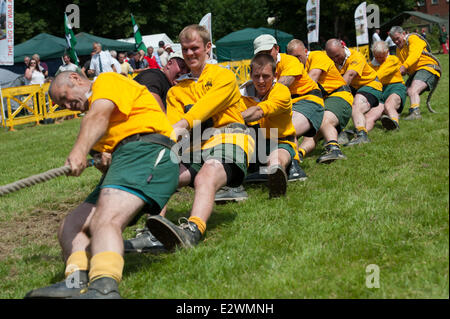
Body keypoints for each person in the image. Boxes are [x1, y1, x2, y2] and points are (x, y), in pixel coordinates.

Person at [24, 71, 179, 299]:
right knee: (71, 225)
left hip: (148, 149)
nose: (69, 105)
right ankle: (76, 280)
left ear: (76, 78)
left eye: (66, 97)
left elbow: (98, 115)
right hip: (127, 159)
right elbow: (107, 161)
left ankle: (104, 288)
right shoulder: (95, 121)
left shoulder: (106, 82)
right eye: (63, 104)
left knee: (105, 220)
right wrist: (104, 158)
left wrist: (79, 151)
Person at [146, 24, 255, 250]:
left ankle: (192, 230)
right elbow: (172, 126)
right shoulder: (177, 90)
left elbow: (203, 109)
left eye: (194, 48)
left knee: (208, 172)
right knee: (163, 174)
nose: (189, 53)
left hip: (230, 137)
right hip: (195, 145)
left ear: (207, 47)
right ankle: (152, 232)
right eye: (185, 49)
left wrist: (180, 127)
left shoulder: (223, 76)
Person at [123, 52, 189, 254]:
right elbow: (151, 100)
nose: (184, 72)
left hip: (137, 136)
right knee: (160, 172)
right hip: (140, 134)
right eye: (181, 68)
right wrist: (166, 132)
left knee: (161, 175)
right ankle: (151, 233)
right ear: (169, 63)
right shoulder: (154, 74)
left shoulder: (171, 87)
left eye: (187, 71)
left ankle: (150, 230)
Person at [252, 34, 323, 178]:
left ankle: (294, 166)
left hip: (307, 100)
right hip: (283, 105)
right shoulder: (259, 67)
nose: (265, 55)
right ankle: (268, 166)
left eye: (267, 51)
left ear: (277, 49)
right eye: (260, 53)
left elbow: (283, 84)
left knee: (287, 128)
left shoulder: (290, 61)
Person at [239, 53, 299, 197]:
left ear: (275, 75)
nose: (260, 81)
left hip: (280, 142)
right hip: (253, 145)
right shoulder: (240, 95)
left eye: (265, 76)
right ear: (250, 75)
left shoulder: (282, 92)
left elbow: (259, 111)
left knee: (275, 159)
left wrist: (234, 119)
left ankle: (275, 174)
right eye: (256, 76)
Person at [287, 39, 353, 164]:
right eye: (292, 58)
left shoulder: (317, 56)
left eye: (298, 56)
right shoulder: (297, 66)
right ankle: (299, 154)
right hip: (321, 101)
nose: (296, 60)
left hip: (339, 96)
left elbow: (313, 78)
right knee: (311, 133)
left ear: (306, 51)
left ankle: (334, 149)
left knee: (323, 120)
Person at [325, 39, 383, 146]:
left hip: (370, 85)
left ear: (343, 47)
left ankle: (362, 136)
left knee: (356, 105)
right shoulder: (330, 60)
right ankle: (339, 134)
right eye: (331, 57)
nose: (335, 59)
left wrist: (336, 94)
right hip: (353, 88)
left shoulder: (356, 56)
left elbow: (350, 75)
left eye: (337, 56)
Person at [389, 26, 441, 120]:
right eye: (393, 40)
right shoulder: (398, 49)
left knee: (413, 90)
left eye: (397, 38)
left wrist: (405, 66)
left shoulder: (413, 38)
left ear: (403, 34)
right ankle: (392, 112)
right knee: (402, 91)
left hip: (428, 68)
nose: (396, 42)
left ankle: (415, 113)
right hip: (416, 72)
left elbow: (414, 55)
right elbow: (399, 64)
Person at [369, 41, 407, 130]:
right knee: (370, 115)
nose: (379, 59)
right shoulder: (371, 65)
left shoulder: (393, 59)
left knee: (389, 105)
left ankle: (394, 124)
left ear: (387, 52)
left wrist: (369, 78)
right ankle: (361, 133)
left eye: (381, 57)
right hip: (381, 91)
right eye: (376, 57)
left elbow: (381, 74)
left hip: (396, 88)